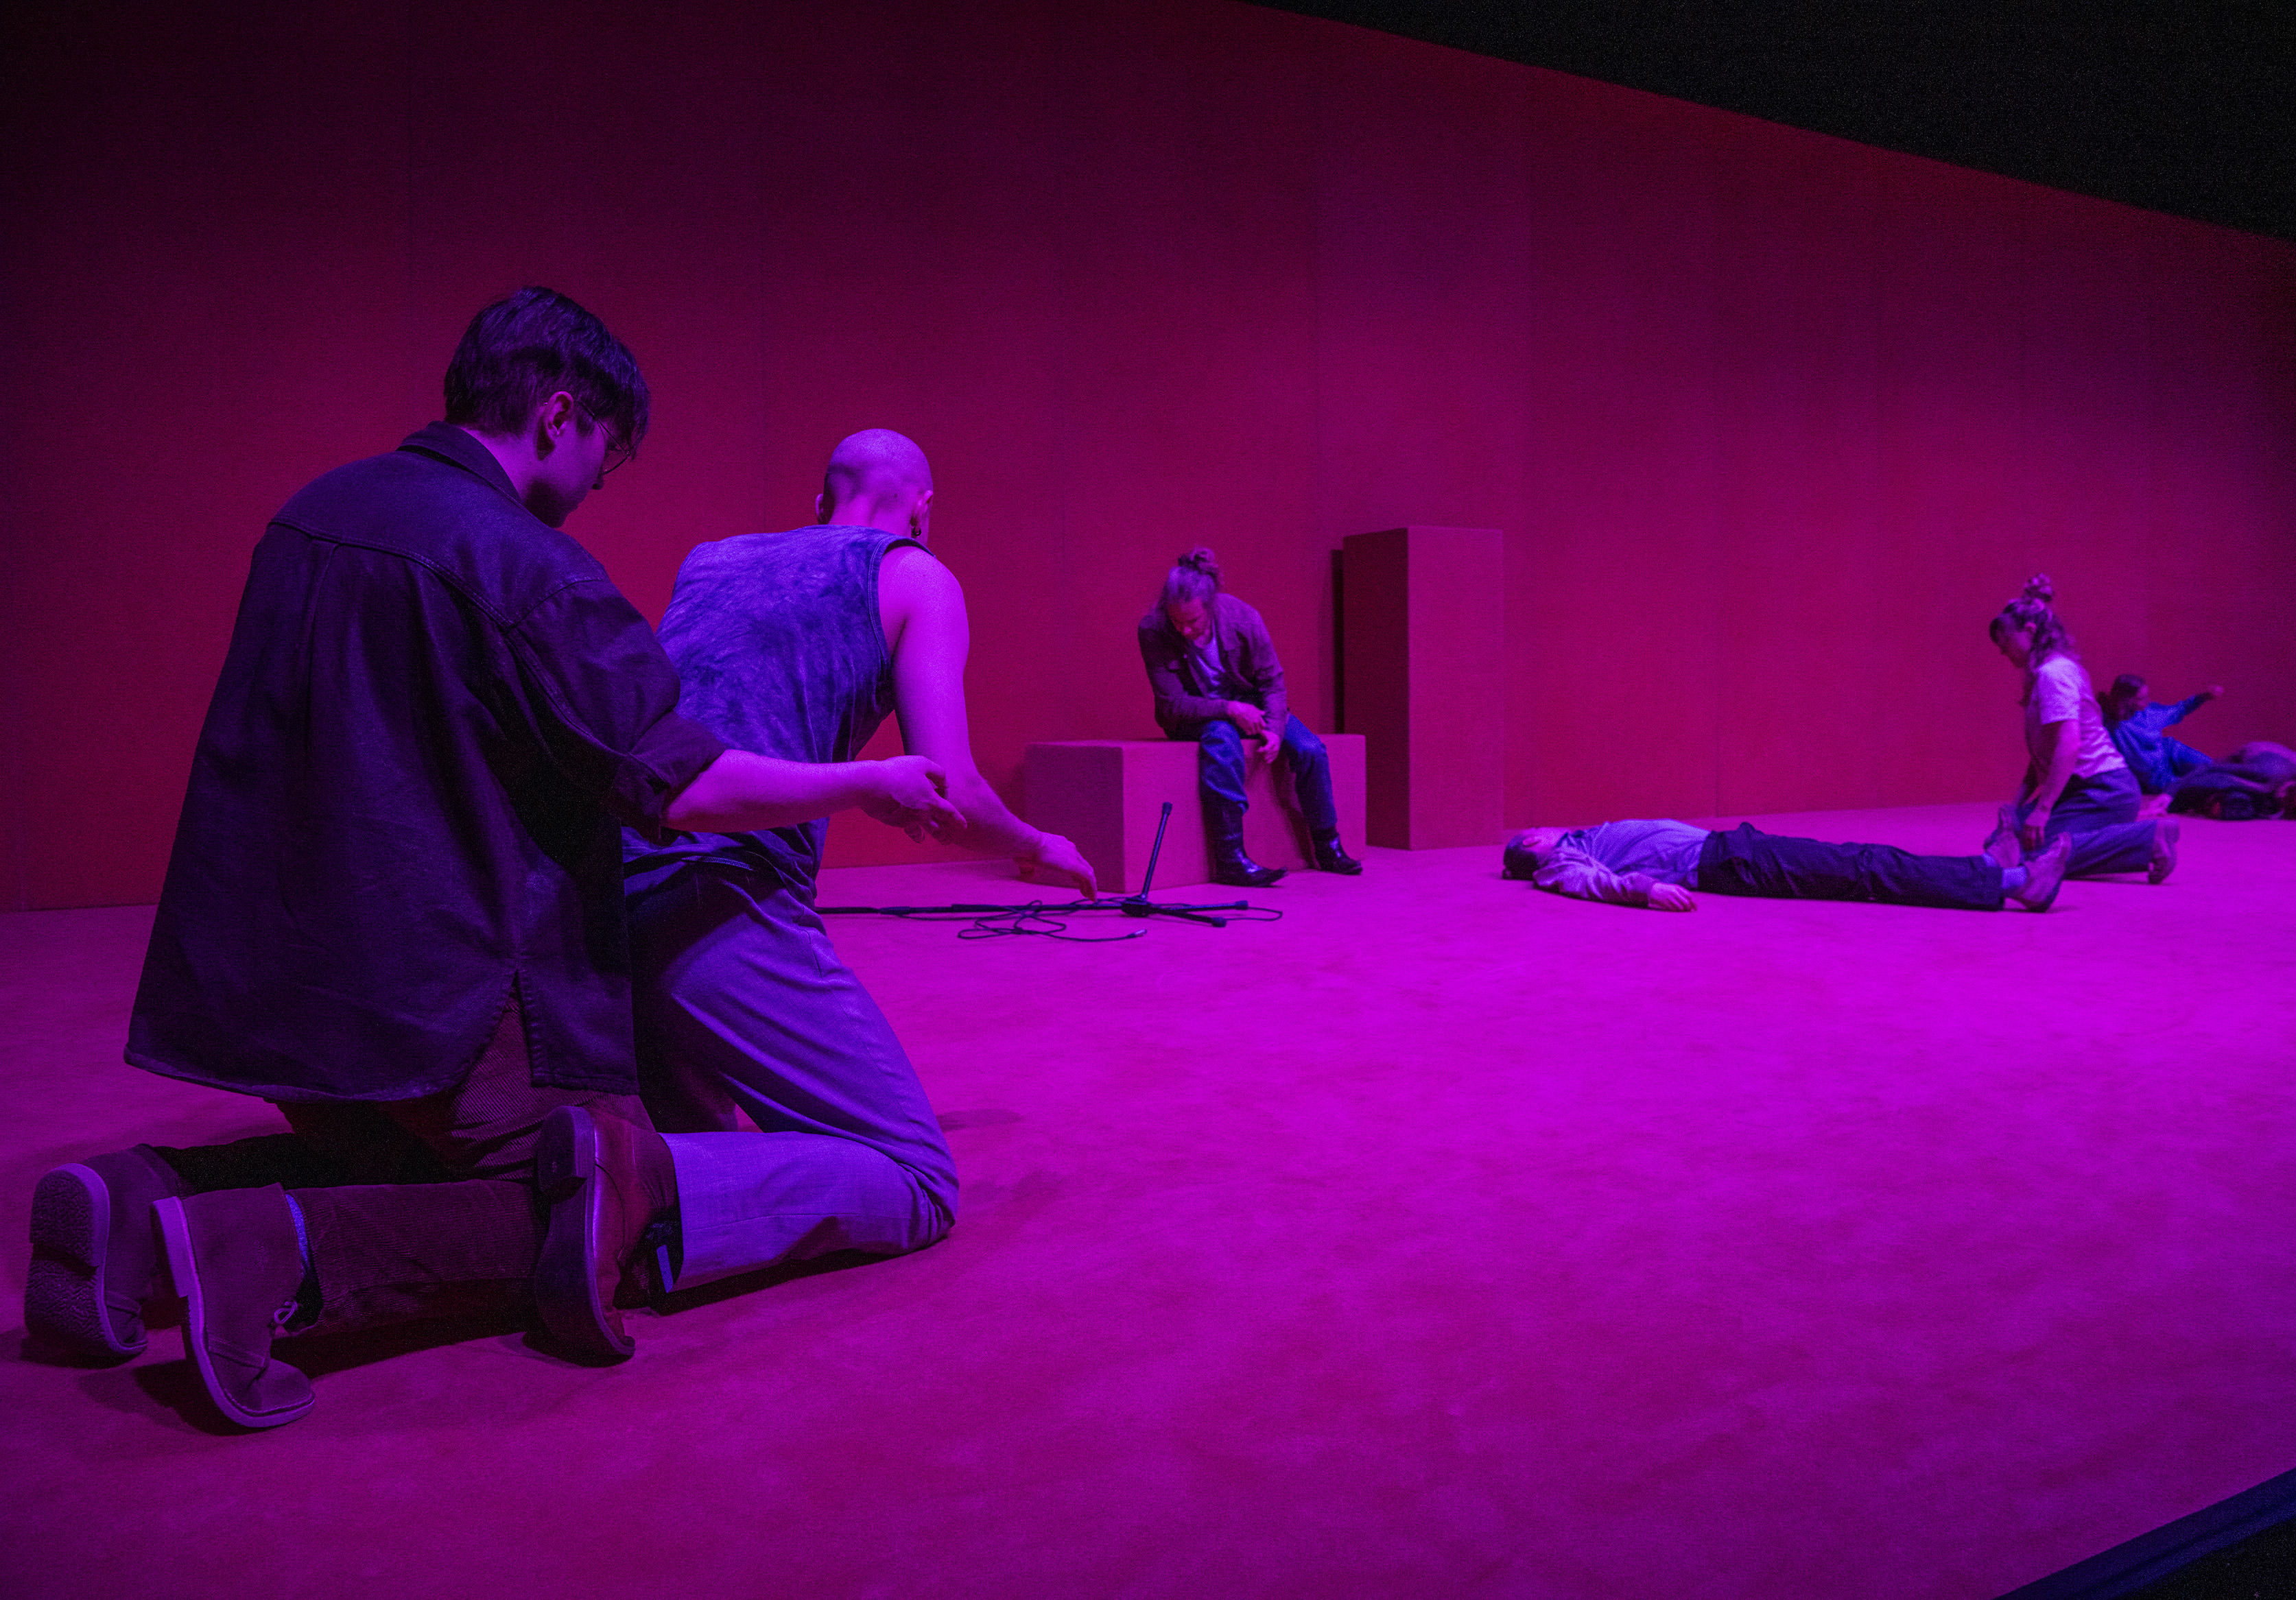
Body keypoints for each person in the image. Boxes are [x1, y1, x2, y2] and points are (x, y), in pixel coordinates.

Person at [25, 290, 961, 1431]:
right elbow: (683, 783)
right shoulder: (529, 568)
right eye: (607, 450)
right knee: (589, 1190)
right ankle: (271, 1249)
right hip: (438, 998)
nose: (601, 480)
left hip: (277, 1004)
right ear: (559, 414)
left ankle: (137, 1203)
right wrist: (862, 782)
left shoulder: (310, 512)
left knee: (432, 1162)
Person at [621, 429, 1097, 1295]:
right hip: (721, 898)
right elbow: (949, 790)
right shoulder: (915, 575)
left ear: (820, 502)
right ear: (923, 510)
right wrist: (1036, 845)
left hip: (603, 896)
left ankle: (627, 1174)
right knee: (916, 1177)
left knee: (710, 1129)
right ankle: (632, 1180)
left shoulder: (710, 559)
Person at [1135, 549, 1361, 887]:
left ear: (1211, 606)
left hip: (1250, 705)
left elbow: (1273, 682)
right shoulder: (1153, 628)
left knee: (1310, 749)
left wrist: (1274, 730)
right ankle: (1232, 859)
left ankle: (1328, 845)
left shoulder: (1244, 619)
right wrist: (1229, 709)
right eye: (1177, 621)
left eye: (1193, 621)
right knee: (1222, 739)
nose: (1184, 629)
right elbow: (1172, 704)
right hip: (1198, 714)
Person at [1986, 575, 2179, 884]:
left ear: (2030, 631)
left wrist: (2043, 810)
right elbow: (2046, 752)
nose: (2002, 651)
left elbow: (2069, 744)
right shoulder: (2046, 673)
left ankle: (2149, 839)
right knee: (2000, 843)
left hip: (2105, 791)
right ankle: (2112, 836)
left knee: (2036, 855)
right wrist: (2018, 807)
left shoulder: (2054, 674)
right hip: (2082, 789)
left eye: (2006, 641)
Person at [1502, 817, 2072, 913]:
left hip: (1729, 847)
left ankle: (1984, 866)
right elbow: (1591, 882)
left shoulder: (1579, 839)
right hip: (1727, 861)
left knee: (1861, 862)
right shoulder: (1557, 861)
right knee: (1864, 868)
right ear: (1532, 841)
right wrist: (1644, 889)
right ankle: (2015, 882)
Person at [2166, 741, 2296, 821]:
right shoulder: (2265, 774)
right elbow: (2210, 768)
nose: (2283, 799)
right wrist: (2168, 796)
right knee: (2236, 792)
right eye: (2287, 796)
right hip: (2261, 753)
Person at [2102, 674, 2223, 793]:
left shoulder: (2148, 712)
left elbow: (2179, 710)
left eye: (2147, 696)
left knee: (2214, 769)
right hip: (2156, 778)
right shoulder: (2111, 726)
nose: (2147, 701)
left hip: (2169, 752)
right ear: (2127, 700)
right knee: (2201, 786)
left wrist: (2204, 697)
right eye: (2142, 699)